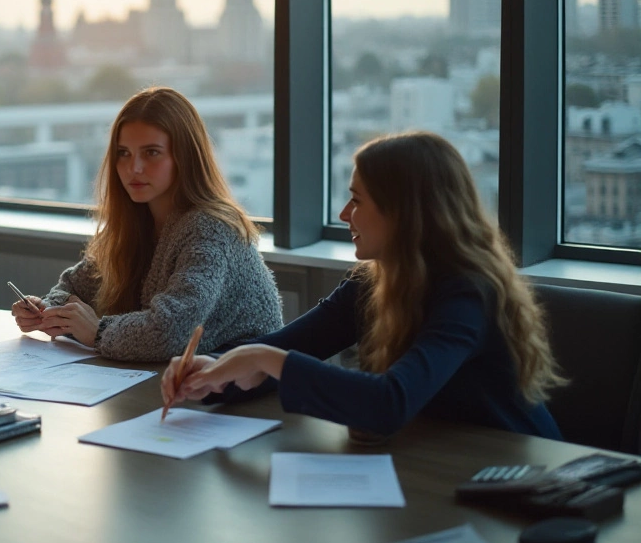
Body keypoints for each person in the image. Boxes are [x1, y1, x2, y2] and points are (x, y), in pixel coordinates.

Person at [163, 132, 565, 439]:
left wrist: (262, 359)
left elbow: (388, 402)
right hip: (437, 459)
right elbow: (290, 347)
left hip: (516, 475)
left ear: (404, 213)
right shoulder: (374, 282)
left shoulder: (467, 293)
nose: (343, 214)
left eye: (357, 201)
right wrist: (209, 375)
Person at [11, 86, 282, 361]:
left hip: (242, 390)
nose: (134, 168)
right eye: (124, 153)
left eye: (151, 152)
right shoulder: (133, 222)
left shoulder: (211, 229)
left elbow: (168, 332)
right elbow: (75, 287)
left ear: (184, 157)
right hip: (174, 381)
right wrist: (46, 312)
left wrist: (97, 332)